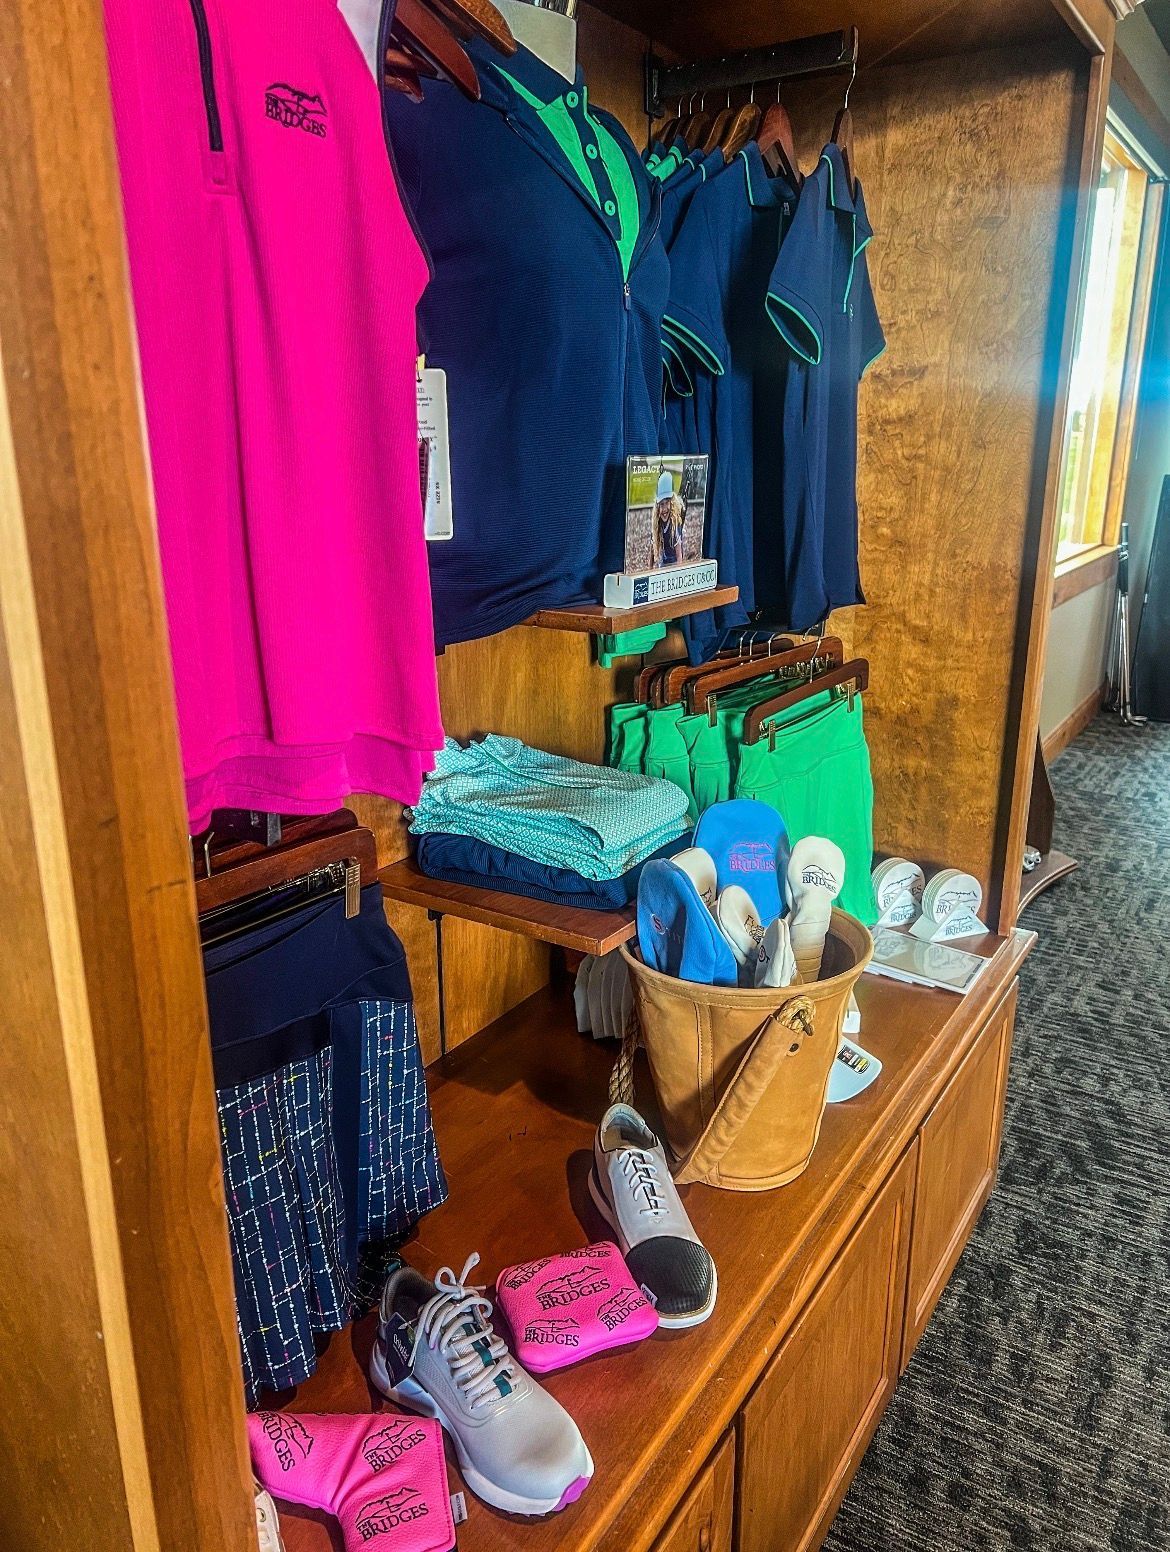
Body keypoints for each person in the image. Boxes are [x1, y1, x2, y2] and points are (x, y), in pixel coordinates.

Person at [653, 469, 687, 568]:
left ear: (672, 503)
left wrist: (678, 571)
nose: (664, 509)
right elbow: (652, 550)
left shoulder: (674, 526)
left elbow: (679, 555)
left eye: (667, 503)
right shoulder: (657, 524)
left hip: (674, 561)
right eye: (661, 504)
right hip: (663, 560)